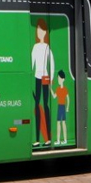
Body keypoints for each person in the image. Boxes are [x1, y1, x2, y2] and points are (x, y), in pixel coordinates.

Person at [31, 18, 54, 147]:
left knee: (45, 105)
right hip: (37, 78)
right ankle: (38, 139)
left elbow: (52, 64)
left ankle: (48, 138)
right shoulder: (35, 47)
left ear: (45, 33)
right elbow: (31, 64)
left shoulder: (47, 48)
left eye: (43, 30)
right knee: (37, 107)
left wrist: (50, 79)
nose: (41, 32)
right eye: (39, 30)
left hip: (45, 78)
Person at [52, 70, 71, 145]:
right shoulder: (57, 89)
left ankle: (65, 140)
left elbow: (68, 98)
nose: (58, 80)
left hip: (62, 107)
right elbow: (54, 96)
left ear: (63, 79)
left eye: (60, 78)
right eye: (58, 79)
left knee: (63, 123)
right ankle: (58, 140)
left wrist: (67, 107)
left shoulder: (65, 89)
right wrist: (50, 88)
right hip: (59, 107)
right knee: (58, 123)